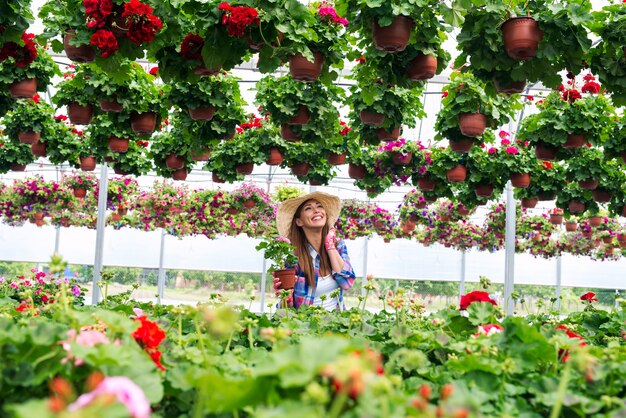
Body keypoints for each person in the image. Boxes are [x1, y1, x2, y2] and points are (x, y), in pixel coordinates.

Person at [273, 191, 356, 310]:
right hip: (306, 325)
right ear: (299, 221)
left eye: (319, 206)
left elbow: (347, 283)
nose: (316, 210)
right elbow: (286, 308)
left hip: (336, 323)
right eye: (308, 208)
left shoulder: (338, 245)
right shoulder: (294, 256)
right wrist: (287, 299)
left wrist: (330, 245)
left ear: (325, 215)